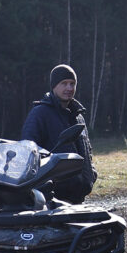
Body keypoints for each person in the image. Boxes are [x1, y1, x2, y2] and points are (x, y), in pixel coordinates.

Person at [20, 64, 98, 204]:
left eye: (72, 84)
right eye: (64, 83)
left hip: (78, 197)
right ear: (54, 86)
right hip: (53, 200)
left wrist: (91, 174)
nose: (69, 88)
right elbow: (28, 152)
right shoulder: (40, 114)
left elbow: (87, 150)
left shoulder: (78, 116)